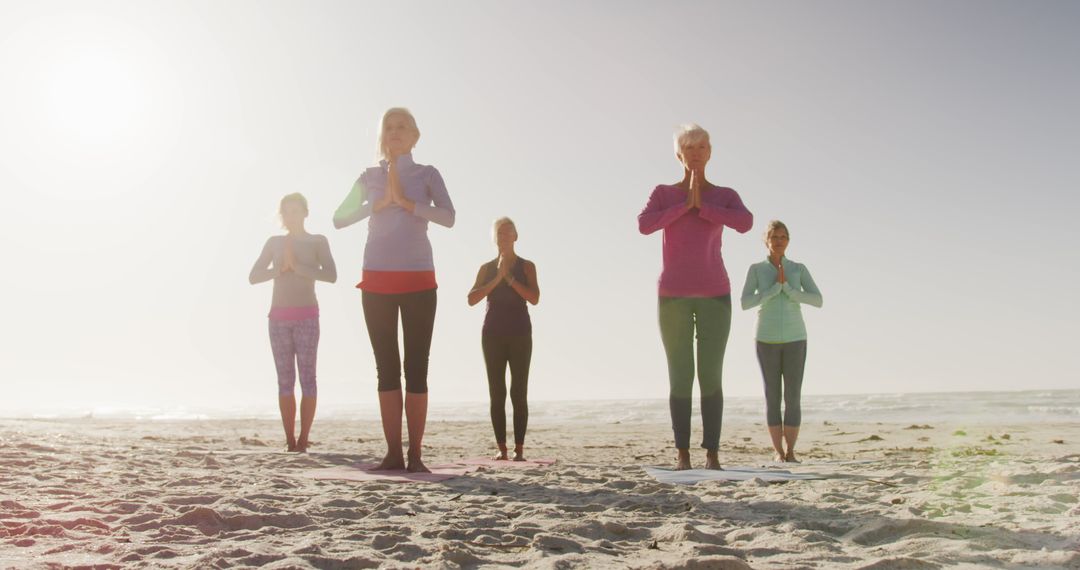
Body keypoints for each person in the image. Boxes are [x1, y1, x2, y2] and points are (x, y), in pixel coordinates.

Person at [333, 108, 455, 473]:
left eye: (403, 127)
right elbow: (339, 218)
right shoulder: (369, 176)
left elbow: (448, 216)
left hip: (418, 278)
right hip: (377, 280)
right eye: (389, 127)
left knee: (417, 368)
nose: (396, 132)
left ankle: (415, 454)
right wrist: (378, 203)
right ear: (382, 136)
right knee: (386, 369)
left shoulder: (427, 174)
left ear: (415, 136)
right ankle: (393, 453)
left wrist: (408, 205)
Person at [638, 123, 753, 470]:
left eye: (702, 147)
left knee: (711, 374)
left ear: (710, 152)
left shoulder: (724, 194)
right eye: (689, 148)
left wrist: (703, 206)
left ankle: (713, 455)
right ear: (679, 154)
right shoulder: (663, 193)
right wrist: (684, 204)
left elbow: (746, 222)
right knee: (680, 374)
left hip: (715, 294)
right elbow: (644, 224)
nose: (696, 153)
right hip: (672, 295)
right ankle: (682, 455)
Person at [249, 193, 337, 452]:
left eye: (295, 211)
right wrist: (278, 270)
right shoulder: (274, 242)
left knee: (308, 378)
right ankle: (289, 440)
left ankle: (303, 438)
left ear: (305, 213)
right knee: (284, 380)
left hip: (307, 317)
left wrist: (298, 268)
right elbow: (254, 276)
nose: (290, 216)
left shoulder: (317, 241)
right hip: (278, 318)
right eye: (286, 212)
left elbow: (331, 275)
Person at [740, 220, 822, 463]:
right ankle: (778, 451)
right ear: (766, 240)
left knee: (793, 396)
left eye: (783, 237)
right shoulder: (756, 269)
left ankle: (791, 451)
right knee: (772, 395)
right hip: (766, 338)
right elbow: (745, 302)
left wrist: (791, 291)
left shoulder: (798, 268)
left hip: (796, 337)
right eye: (774, 237)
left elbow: (817, 299)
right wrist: (773, 291)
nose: (779, 241)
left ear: (788, 241)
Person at [467, 217, 540, 461]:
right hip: (492, 336)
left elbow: (534, 297)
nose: (505, 237)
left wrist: (509, 278)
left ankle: (519, 449)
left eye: (509, 233)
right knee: (496, 393)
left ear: (516, 237)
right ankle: (502, 449)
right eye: (500, 234)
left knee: (518, 392)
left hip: (520, 334)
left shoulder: (527, 266)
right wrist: (497, 277)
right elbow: (472, 298)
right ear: (495, 238)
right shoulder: (486, 268)